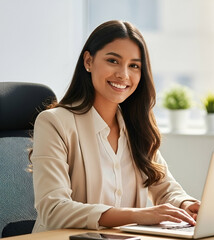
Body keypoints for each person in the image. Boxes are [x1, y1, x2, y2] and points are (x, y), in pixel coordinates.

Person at [30, 20, 200, 233]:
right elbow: (54, 209)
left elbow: (165, 188)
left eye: (134, 66)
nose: (123, 74)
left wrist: (185, 204)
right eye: (113, 61)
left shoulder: (137, 127)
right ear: (88, 61)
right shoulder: (54, 123)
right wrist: (138, 215)